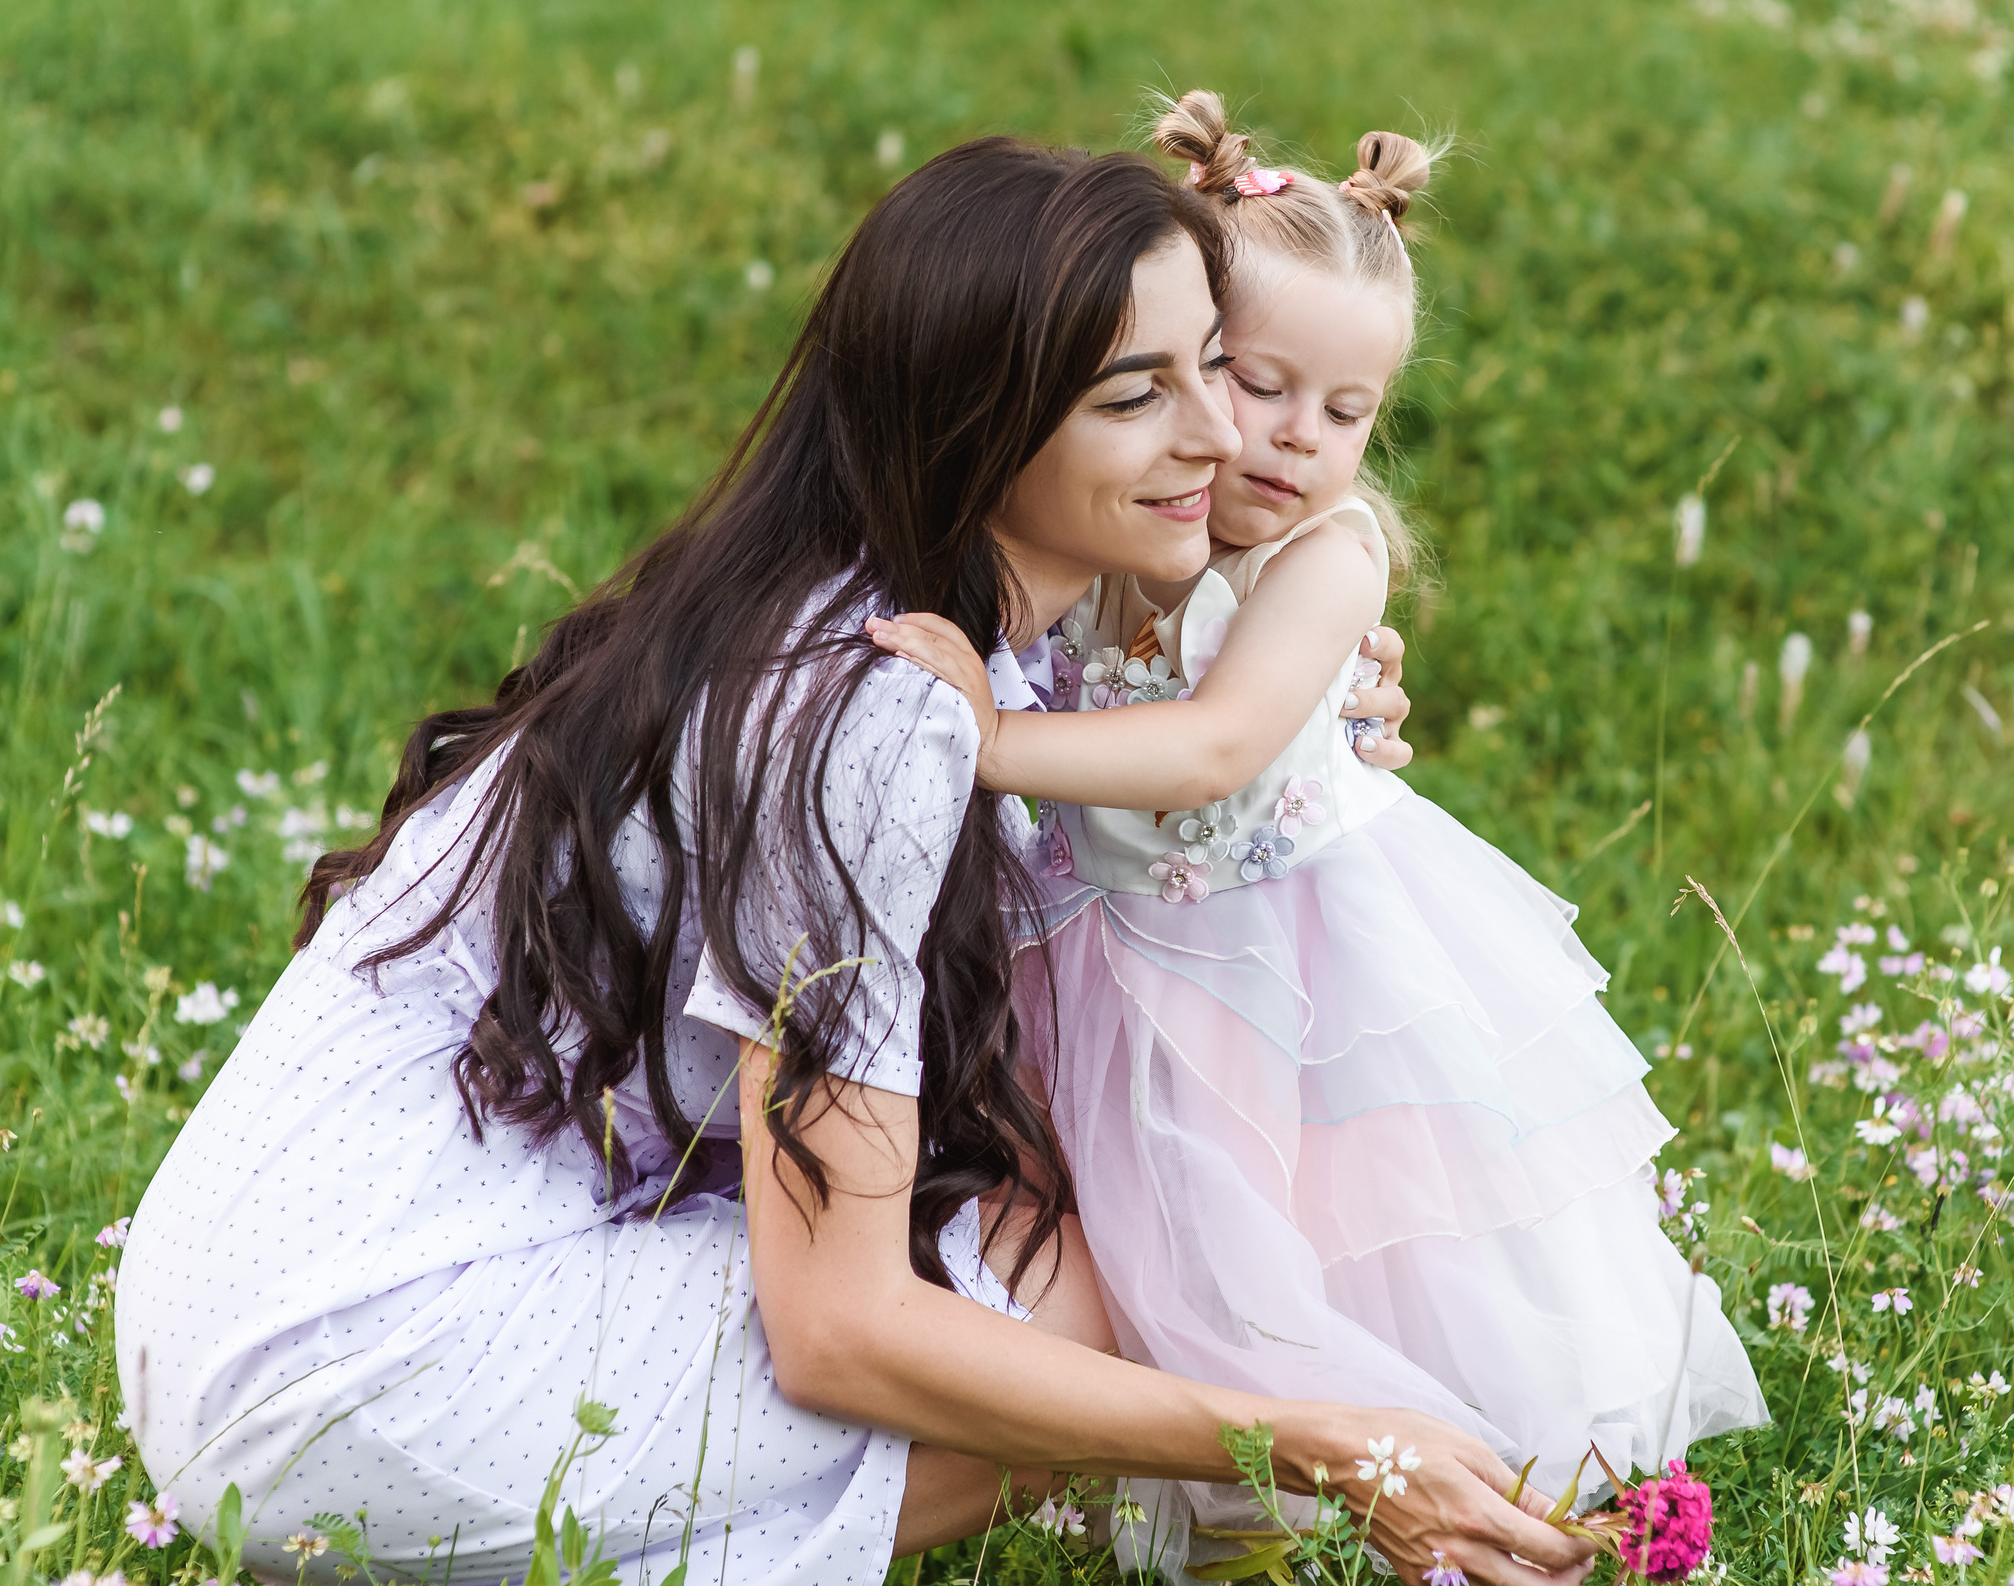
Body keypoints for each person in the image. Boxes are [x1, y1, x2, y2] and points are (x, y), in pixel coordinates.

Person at [115, 133, 1597, 1586]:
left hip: (249, 1294)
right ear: (979, 425)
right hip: (365, 1374)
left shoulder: (870, 607)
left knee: (1087, 1218)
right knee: (1099, 1310)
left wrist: (1285, 700)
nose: (1226, 436)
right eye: (1136, 396)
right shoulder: (879, 714)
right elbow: (841, 1329)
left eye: (1220, 363)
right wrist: (1308, 1445)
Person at [867, 92, 1768, 1568]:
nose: (1293, 438)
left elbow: (1216, 744)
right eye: (1259, 383)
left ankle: (1465, 1481)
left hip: (1283, 954)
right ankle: (1225, 1481)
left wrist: (986, 739)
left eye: (1348, 413)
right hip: (1110, 946)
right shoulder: (1121, 530)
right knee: (1162, 1226)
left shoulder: (1328, 558)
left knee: (1326, 1228)